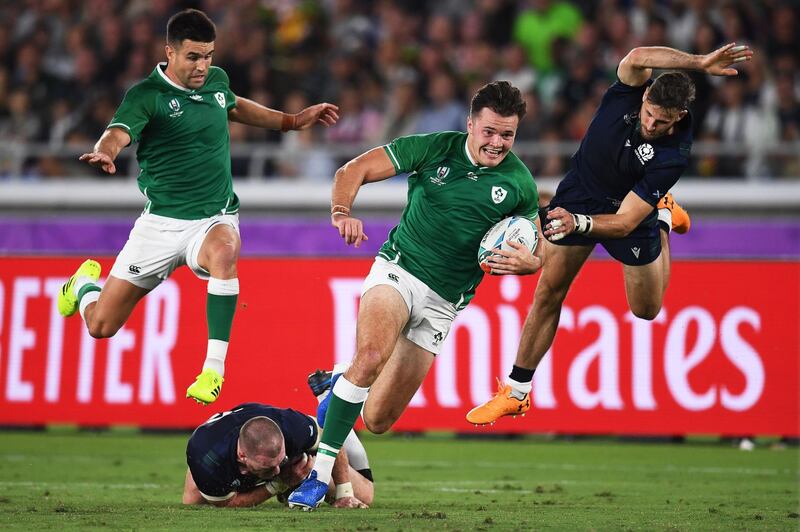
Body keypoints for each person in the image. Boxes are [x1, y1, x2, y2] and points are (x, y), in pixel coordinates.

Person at [56, 9, 339, 405]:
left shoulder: (216, 82)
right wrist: (105, 151)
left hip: (213, 218)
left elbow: (234, 105)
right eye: (193, 57)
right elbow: (117, 132)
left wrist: (292, 121)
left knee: (225, 251)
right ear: (169, 51)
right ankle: (82, 285)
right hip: (159, 225)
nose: (203, 66)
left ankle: (213, 370)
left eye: (208, 55)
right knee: (101, 326)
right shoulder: (147, 96)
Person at [287, 81, 545, 510]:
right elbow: (352, 171)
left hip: (444, 305)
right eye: (489, 132)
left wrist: (531, 264)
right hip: (399, 271)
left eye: (507, 135)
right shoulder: (433, 148)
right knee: (369, 357)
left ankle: (337, 383)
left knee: (378, 419)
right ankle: (318, 477)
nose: (497, 143)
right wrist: (341, 213)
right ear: (470, 126)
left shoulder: (519, 183)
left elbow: (535, 246)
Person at [465, 43, 754, 426]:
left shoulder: (674, 154)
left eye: (663, 122)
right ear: (646, 94)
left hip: (629, 212)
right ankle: (517, 392)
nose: (652, 126)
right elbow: (637, 56)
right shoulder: (628, 90)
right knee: (549, 290)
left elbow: (621, 223)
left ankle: (664, 216)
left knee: (646, 309)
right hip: (580, 192)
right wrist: (699, 63)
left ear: (680, 116)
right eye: (650, 115)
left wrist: (579, 223)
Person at [182, 401, 373, 508]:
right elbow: (229, 503)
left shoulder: (292, 427)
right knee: (193, 502)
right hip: (216, 451)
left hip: (295, 460)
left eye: (280, 461)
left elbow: (332, 435)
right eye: (268, 466)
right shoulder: (207, 458)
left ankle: (328, 398)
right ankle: (288, 487)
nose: (276, 470)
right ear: (242, 455)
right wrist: (278, 484)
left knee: (365, 495)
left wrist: (344, 493)